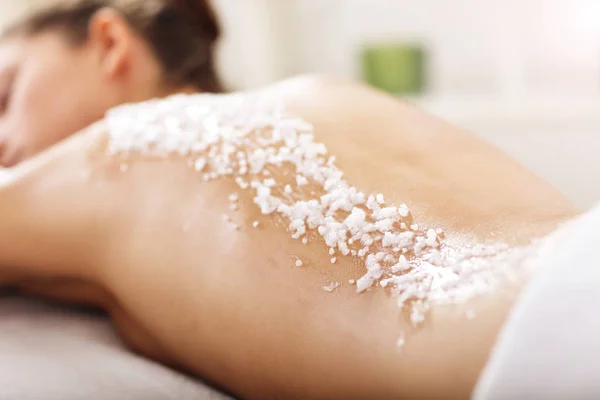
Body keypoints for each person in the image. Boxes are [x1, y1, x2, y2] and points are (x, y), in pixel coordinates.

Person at [0, 1, 580, 399]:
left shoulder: (117, 157)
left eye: (5, 94)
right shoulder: (328, 93)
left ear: (109, 43)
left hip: (555, 338)